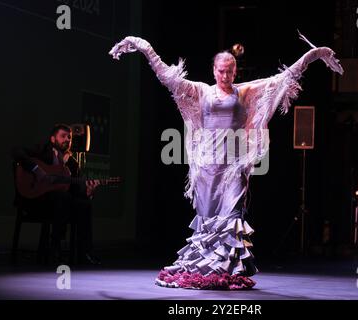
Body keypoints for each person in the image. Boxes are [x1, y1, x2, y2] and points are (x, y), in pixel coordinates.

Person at [109, 31, 343, 289]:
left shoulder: (244, 93)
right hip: (208, 166)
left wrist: (314, 54)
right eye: (221, 71)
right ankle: (206, 269)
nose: (225, 76)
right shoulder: (202, 92)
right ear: (214, 70)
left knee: (231, 217)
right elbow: (168, 77)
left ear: (235, 71)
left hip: (234, 167)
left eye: (230, 71)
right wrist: (142, 46)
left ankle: (225, 269)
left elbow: (282, 79)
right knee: (208, 219)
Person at [11, 124, 101, 265]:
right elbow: (16, 151)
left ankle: (86, 253)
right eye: (63, 136)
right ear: (53, 139)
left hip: (59, 203)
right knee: (62, 198)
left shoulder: (72, 164)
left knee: (85, 204)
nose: (67, 139)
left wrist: (88, 192)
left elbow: (74, 191)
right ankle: (55, 248)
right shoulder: (42, 151)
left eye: (69, 137)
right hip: (36, 199)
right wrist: (36, 169)